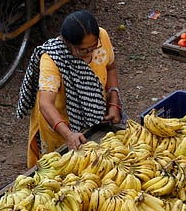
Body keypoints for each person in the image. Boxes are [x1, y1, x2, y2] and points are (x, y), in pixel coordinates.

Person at [16, 9, 120, 166]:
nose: (89, 53)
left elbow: (111, 67)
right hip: (60, 126)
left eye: (93, 47)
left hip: (94, 116)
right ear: (66, 42)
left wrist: (113, 102)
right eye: (83, 50)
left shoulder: (102, 36)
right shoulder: (52, 59)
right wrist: (68, 134)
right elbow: (46, 104)